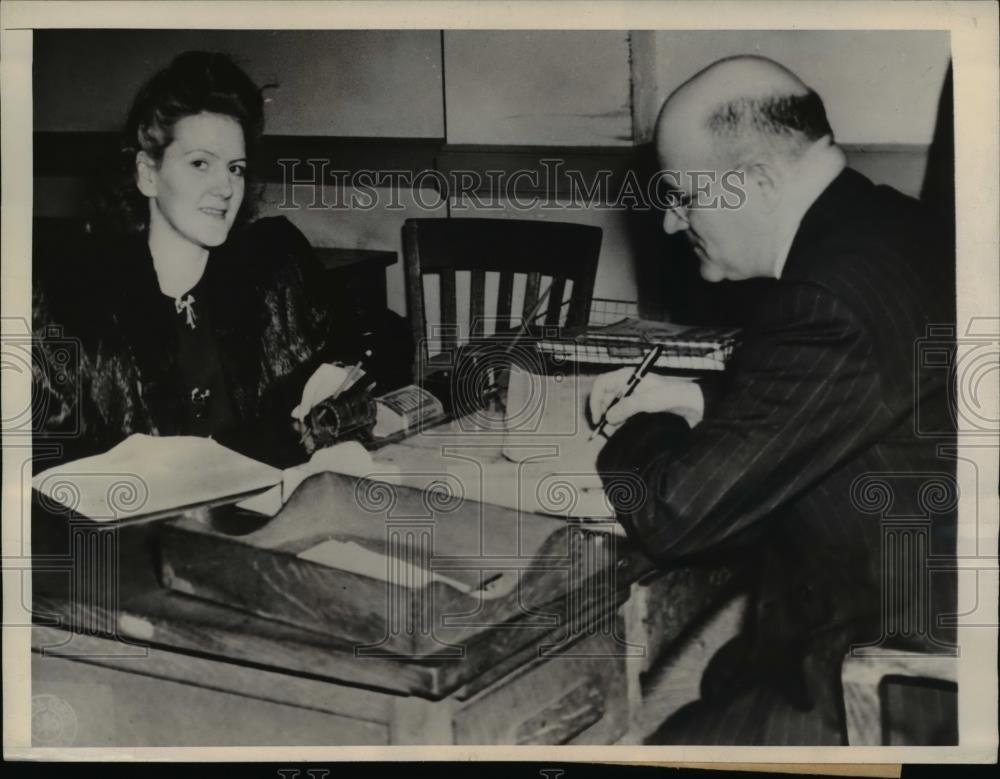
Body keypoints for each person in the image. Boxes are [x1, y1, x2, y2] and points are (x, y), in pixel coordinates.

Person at [590, 56, 956, 744]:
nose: (671, 223)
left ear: (754, 182)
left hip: (895, 677)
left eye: (680, 195)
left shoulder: (824, 298)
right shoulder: (890, 229)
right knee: (717, 681)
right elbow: (839, 388)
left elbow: (675, 511)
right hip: (925, 613)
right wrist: (700, 394)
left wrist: (644, 420)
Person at [32, 51, 411, 468]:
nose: (225, 188)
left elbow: (382, 339)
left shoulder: (272, 272)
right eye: (200, 164)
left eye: (235, 168)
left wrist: (338, 381)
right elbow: (44, 467)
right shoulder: (77, 306)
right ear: (148, 174)